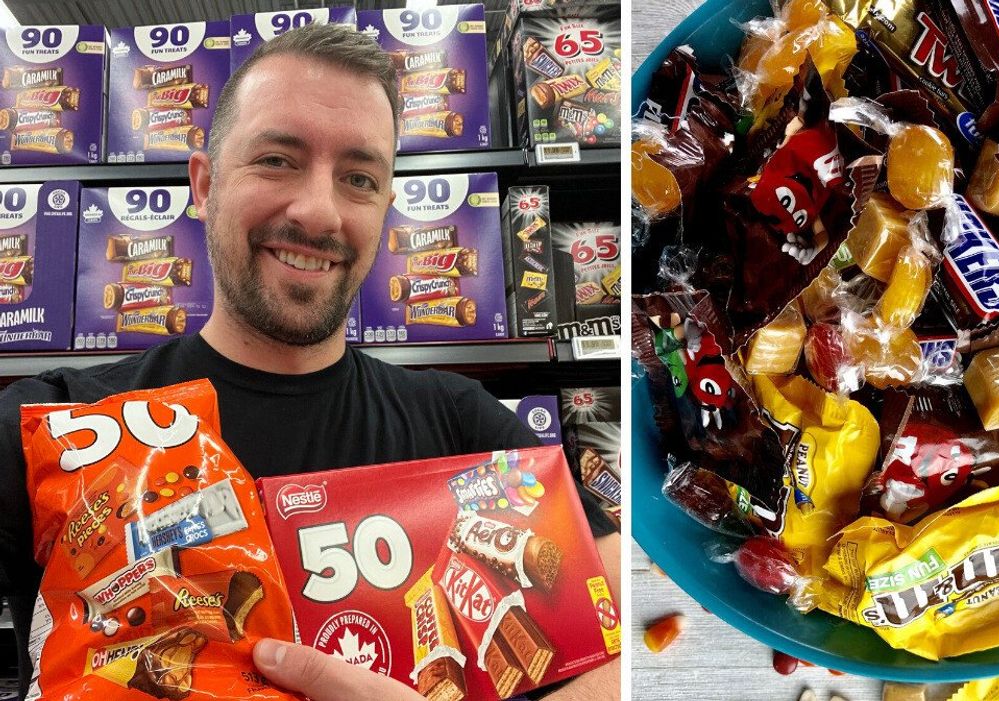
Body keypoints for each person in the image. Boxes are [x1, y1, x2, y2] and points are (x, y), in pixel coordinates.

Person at [0, 23, 621, 701]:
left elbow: (630, 640)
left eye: (358, 178)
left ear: (385, 209)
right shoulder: (53, 425)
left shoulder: (469, 430)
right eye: (277, 159)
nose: (319, 211)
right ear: (204, 186)